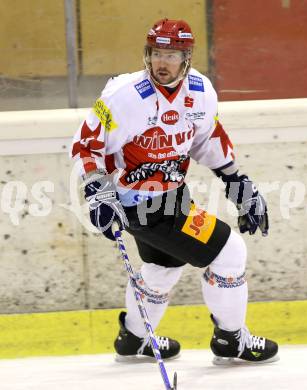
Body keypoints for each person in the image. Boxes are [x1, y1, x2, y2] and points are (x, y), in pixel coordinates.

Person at [71, 18, 278, 364]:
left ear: (187, 58)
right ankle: (232, 340)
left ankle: (135, 338)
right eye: (156, 53)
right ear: (147, 54)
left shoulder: (200, 91)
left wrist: (236, 182)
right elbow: (87, 146)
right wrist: (97, 191)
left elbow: (207, 138)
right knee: (229, 253)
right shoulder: (125, 96)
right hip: (140, 203)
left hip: (173, 196)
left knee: (163, 267)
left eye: (171, 55)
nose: (161, 63)